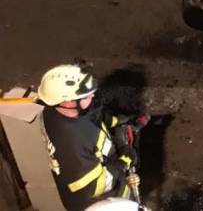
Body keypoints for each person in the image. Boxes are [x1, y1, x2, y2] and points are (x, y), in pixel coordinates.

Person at [37, 65, 138, 211]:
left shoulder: (54, 111)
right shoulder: (71, 143)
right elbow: (95, 186)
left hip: (99, 162)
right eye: (86, 95)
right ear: (68, 102)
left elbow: (91, 117)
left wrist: (116, 122)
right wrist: (123, 162)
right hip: (97, 200)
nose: (92, 96)